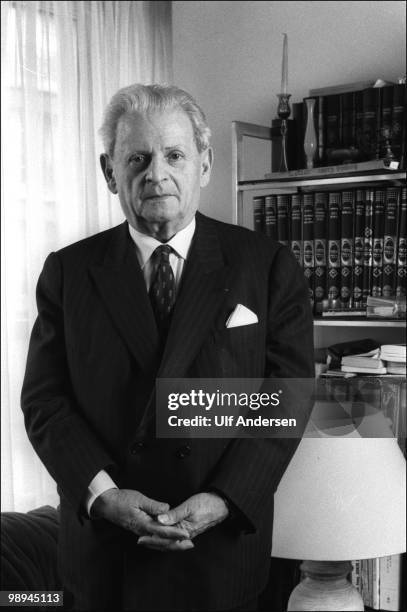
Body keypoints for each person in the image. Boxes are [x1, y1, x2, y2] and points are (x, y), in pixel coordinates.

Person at [21, 83, 314, 611]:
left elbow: (285, 399)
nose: (157, 173)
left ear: (204, 163)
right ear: (110, 172)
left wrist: (224, 499)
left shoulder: (267, 266)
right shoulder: (67, 273)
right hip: (106, 561)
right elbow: (45, 403)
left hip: (220, 557)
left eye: (175, 155)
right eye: (138, 157)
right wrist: (104, 495)